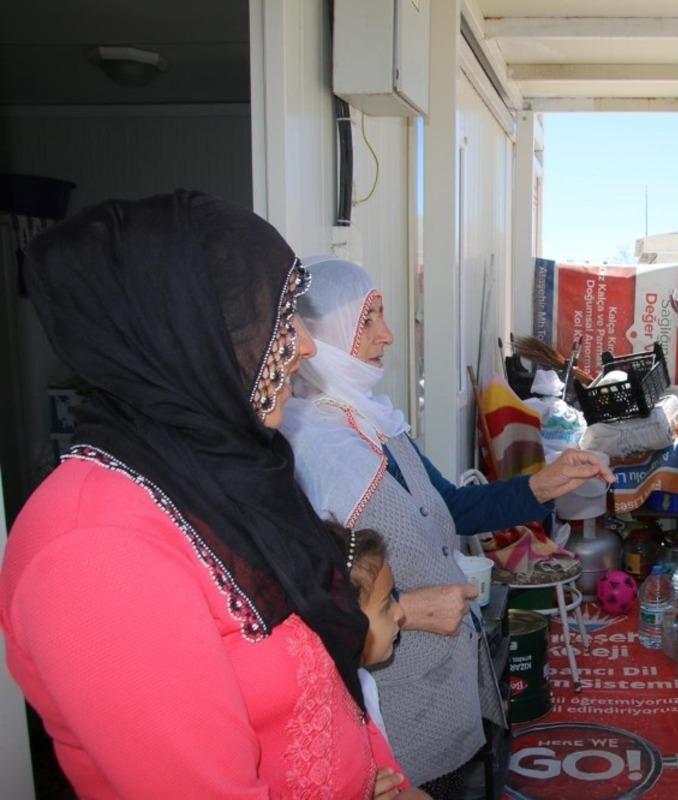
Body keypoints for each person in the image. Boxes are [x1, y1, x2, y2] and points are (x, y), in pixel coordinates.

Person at [0, 192, 426, 799]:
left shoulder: (230, 472)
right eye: (279, 322)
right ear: (183, 339)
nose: (305, 346)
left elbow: (333, 685)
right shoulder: (91, 549)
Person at [281, 257, 614, 797]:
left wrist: (545, 483)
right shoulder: (299, 454)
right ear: (322, 333)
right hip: (391, 718)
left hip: (451, 685)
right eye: (369, 320)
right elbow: (302, 599)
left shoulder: (375, 423)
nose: (387, 336)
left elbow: (455, 507)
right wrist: (408, 610)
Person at [326, 522, 403, 745]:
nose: (400, 613)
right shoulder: (328, 713)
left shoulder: (364, 684)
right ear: (343, 619)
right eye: (386, 604)